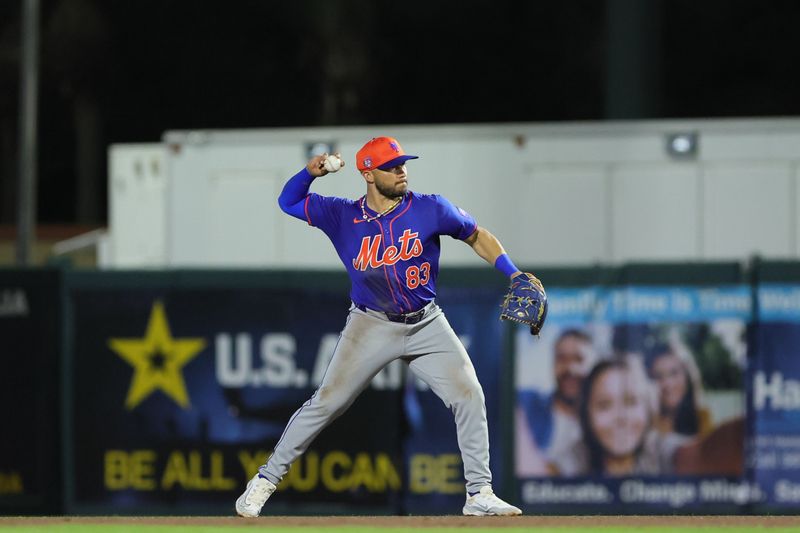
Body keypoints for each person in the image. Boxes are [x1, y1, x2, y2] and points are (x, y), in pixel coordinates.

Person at [235, 136, 530, 517]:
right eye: (392, 166)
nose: (401, 170)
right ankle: (263, 483)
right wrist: (309, 173)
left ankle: (479, 493)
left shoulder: (431, 208)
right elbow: (288, 201)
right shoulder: (341, 214)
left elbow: (476, 234)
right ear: (368, 174)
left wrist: (513, 272)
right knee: (326, 403)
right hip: (370, 323)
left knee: (469, 393)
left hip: (426, 322)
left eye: (403, 163)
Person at [552, 356, 742, 477]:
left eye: (631, 402)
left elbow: (703, 454)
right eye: (604, 405)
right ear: (587, 415)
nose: (621, 417)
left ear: (648, 409)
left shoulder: (660, 449)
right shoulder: (570, 460)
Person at [515, 329, 596, 476]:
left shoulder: (602, 421)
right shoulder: (530, 405)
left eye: (578, 359)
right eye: (562, 359)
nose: (569, 368)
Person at [645, 343, 712, 438]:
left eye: (674, 373)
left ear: (687, 376)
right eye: (658, 376)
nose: (668, 384)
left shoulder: (702, 417)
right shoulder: (645, 424)